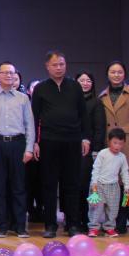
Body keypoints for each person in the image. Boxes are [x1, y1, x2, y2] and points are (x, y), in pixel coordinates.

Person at [32, 51, 91, 238]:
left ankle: (72, 224)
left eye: (62, 64)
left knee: (72, 184)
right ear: (47, 66)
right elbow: (34, 117)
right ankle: (50, 225)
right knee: (49, 184)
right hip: (48, 142)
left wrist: (85, 138)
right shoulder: (40, 88)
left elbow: (83, 115)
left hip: (72, 141)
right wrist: (34, 142)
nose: (59, 68)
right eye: (55, 65)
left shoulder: (74, 86)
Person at [0, 61, 35, 238]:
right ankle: (2, 226)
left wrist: (29, 149)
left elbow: (29, 125)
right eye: (5, 72)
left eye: (11, 73)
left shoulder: (23, 98)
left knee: (19, 187)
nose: (8, 75)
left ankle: (20, 226)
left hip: (18, 144)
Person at [98, 61, 129, 234]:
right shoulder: (102, 96)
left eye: (119, 72)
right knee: (111, 183)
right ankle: (112, 219)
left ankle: (124, 219)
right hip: (109, 143)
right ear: (107, 74)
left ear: (124, 74)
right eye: (113, 72)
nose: (116, 75)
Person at [75, 71, 108, 231]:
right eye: (81, 80)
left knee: (85, 185)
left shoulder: (96, 102)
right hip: (71, 148)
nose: (85, 83)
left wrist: (96, 149)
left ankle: (87, 220)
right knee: (73, 186)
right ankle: (73, 219)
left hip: (88, 151)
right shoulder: (71, 101)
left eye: (88, 80)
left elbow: (99, 128)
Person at [87, 128, 129, 238]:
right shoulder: (103, 153)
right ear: (109, 141)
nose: (117, 146)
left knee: (113, 209)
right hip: (99, 185)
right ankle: (93, 228)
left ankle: (109, 227)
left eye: (120, 143)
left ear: (124, 144)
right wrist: (94, 183)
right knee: (96, 208)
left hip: (114, 186)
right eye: (115, 143)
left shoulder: (122, 157)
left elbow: (124, 171)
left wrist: (126, 186)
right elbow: (96, 168)